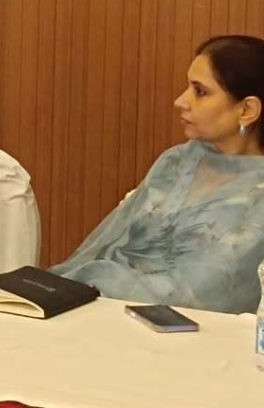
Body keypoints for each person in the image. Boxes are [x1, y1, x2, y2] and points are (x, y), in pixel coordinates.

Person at [51, 35, 264, 314]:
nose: (180, 101)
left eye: (200, 92)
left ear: (247, 110)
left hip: (185, 329)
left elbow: (207, 295)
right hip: (96, 305)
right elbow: (102, 244)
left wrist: (94, 282)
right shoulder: (177, 161)